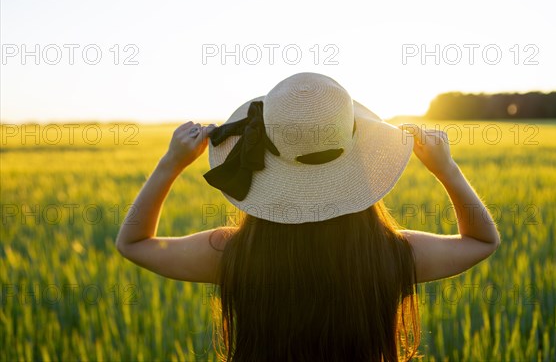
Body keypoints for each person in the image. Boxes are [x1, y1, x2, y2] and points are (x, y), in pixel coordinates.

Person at [116, 72, 500, 361]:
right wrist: (445, 169)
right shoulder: (391, 255)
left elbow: (134, 243)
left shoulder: (232, 254)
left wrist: (170, 165)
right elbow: (482, 241)